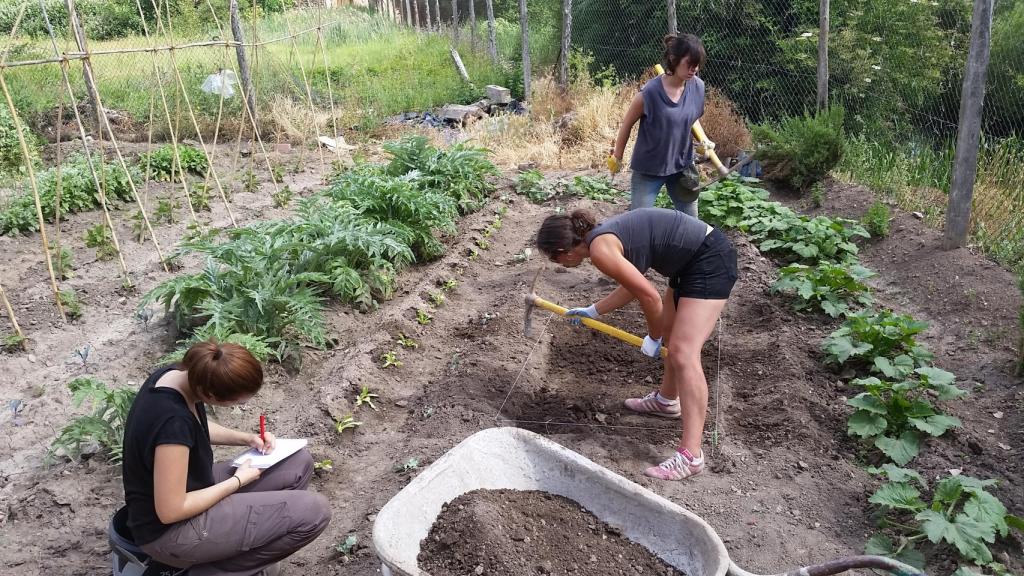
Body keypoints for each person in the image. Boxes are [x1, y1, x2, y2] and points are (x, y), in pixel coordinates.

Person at [536, 208, 737, 481]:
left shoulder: (600, 251)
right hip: (689, 262)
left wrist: (653, 338)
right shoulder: (602, 239)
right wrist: (594, 310)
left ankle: (691, 456)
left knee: (683, 352)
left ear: (564, 250)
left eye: (554, 258)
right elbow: (634, 286)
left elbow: (650, 297)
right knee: (673, 335)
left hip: (708, 261)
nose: (557, 264)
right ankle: (667, 401)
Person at [121, 341, 331, 576]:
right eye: (238, 402)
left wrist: (247, 439)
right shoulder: (172, 424)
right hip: (169, 533)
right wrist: (237, 482)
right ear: (210, 394)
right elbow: (171, 510)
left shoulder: (177, 377)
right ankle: (212, 571)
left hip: (193, 491)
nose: (242, 405)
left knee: (298, 463)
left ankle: (238, 547)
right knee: (314, 512)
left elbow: (194, 426)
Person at [611, 34, 709, 217]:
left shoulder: (698, 87)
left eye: (697, 64)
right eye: (689, 64)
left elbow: (691, 117)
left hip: (682, 166)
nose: (694, 69)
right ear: (673, 59)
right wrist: (617, 156)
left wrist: (704, 140)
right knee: (639, 222)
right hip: (649, 168)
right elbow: (626, 124)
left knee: (691, 223)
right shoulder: (650, 93)